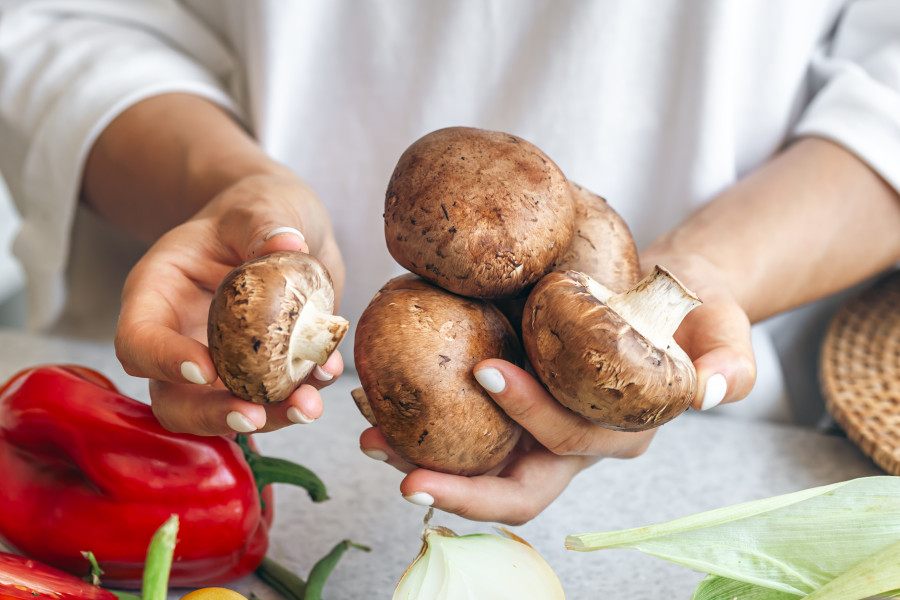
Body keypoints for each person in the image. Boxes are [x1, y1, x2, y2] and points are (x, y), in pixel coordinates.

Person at [1, 0, 898, 525]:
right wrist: (233, 186)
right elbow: (66, 24)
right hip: (218, 441)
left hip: (738, 465)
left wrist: (711, 268)